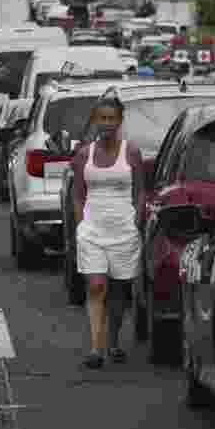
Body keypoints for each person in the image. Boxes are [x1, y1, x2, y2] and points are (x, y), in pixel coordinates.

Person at [70, 96, 146, 368]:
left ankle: (113, 341)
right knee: (96, 285)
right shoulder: (83, 155)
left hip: (124, 232)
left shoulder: (131, 152)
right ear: (95, 120)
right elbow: (78, 195)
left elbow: (140, 192)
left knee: (118, 292)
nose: (106, 124)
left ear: (120, 121)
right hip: (92, 231)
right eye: (101, 118)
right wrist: (81, 225)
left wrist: (137, 221)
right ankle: (95, 348)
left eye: (111, 118)